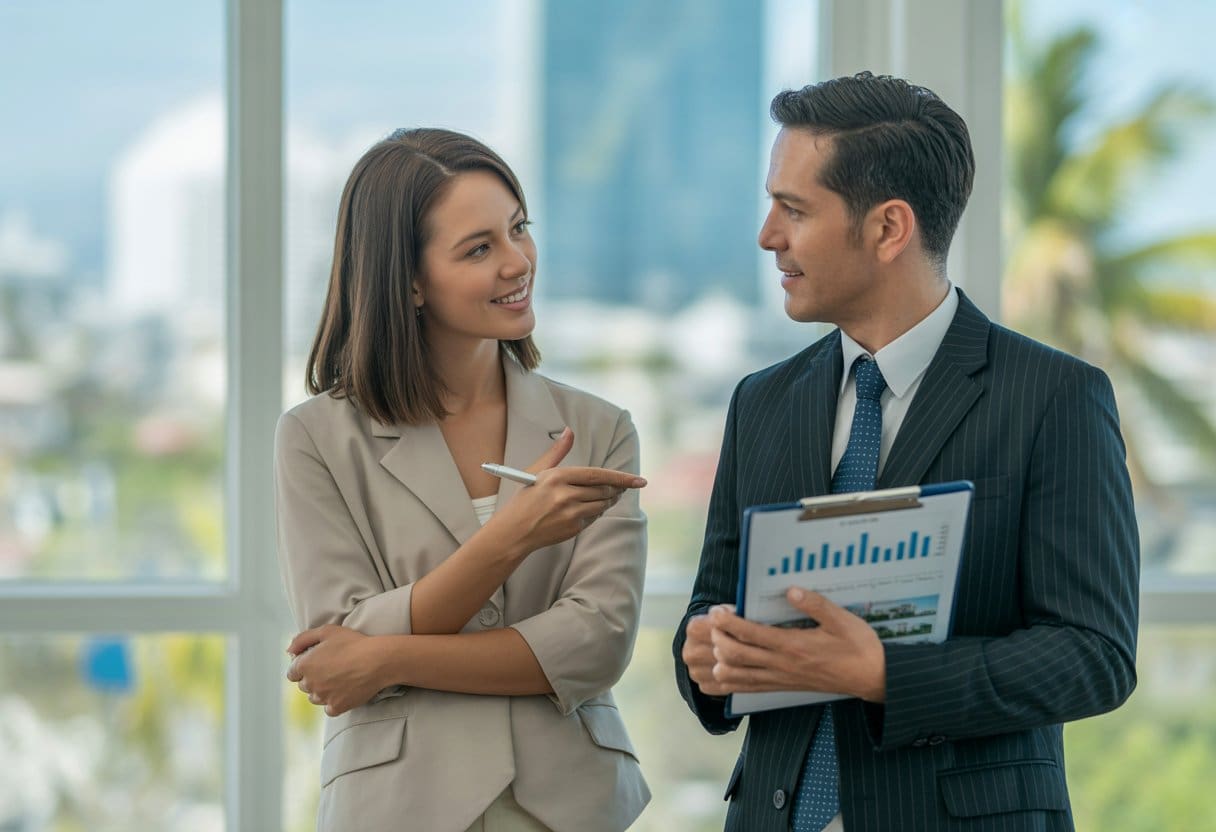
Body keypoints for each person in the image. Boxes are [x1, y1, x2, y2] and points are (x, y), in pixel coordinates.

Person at [672, 72, 1139, 831]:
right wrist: (705, 654)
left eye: (793, 210)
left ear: (889, 228)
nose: (768, 235)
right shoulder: (761, 400)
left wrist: (886, 675)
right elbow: (711, 604)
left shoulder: (1054, 397)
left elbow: (1094, 656)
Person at [275, 128, 650, 832]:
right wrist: (508, 538)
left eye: (519, 230)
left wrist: (384, 657)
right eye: (479, 249)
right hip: (399, 808)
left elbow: (596, 642)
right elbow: (333, 651)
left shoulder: (598, 428)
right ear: (410, 282)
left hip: (568, 808)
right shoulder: (316, 438)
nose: (518, 263)